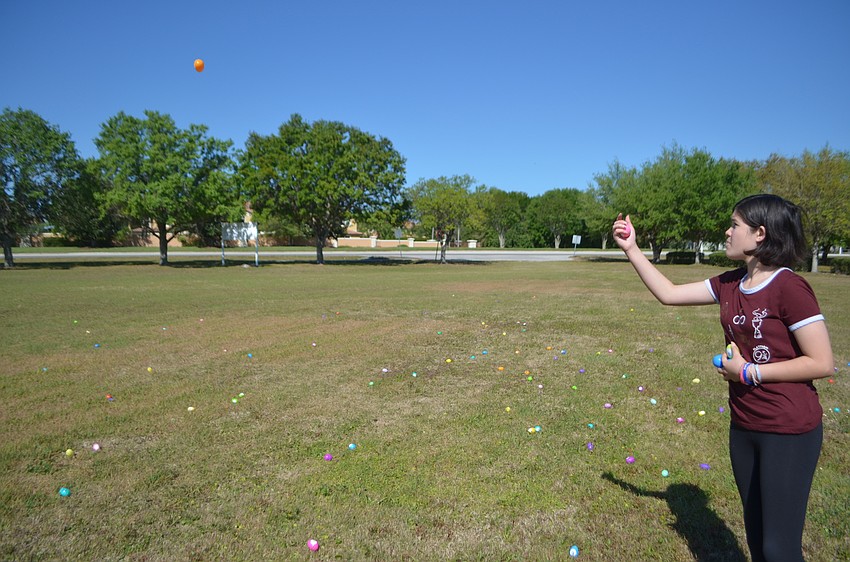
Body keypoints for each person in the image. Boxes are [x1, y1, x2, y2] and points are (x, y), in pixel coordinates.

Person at [612, 194, 834, 562]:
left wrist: (749, 372)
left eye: (734, 225)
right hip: (744, 424)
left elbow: (822, 361)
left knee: (779, 548)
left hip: (789, 429)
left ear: (759, 234)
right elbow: (669, 294)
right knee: (758, 537)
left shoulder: (788, 287)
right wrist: (632, 249)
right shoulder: (732, 283)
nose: (727, 232)